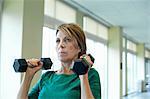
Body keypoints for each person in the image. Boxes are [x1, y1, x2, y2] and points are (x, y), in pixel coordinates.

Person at [17, 23, 101, 99]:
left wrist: (83, 74)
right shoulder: (47, 77)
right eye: (58, 41)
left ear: (79, 47)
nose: (61, 45)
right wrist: (28, 75)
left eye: (67, 40)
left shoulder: (90, 75)